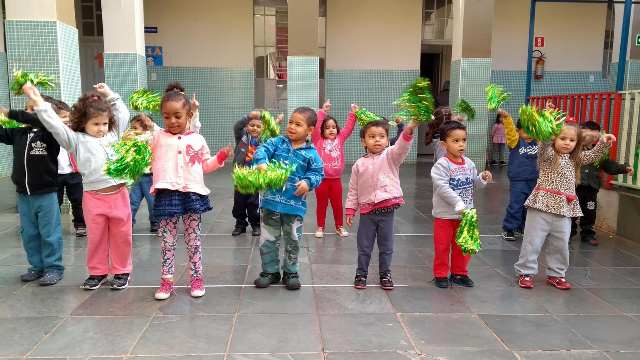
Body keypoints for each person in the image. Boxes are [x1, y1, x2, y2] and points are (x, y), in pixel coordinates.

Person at [26, 82, 133, 290]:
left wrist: (110, 94)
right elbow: (55, 126)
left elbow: (123, 114)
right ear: (83, 123)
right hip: (93, 197)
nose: (101, 128)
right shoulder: (75, 140)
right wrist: (39, 103)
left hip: (119, 195)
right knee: (96, 238)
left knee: (122, 237)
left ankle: (121, 271)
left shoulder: (113, 135)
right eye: (96, 124)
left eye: (104, 123)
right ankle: (97, 272)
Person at [515, 122, 615, 290]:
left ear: (577, 143)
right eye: (562, 138)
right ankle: (526, 272)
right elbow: (543, 145)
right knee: (533, 241)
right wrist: (547, 128)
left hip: (564, 208)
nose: (567, 143)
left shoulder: (575, 158)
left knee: (561, 244)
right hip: (541, 205)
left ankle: (556, 274)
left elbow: (591, 156)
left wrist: (603, 142)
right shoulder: (548, 155)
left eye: (572, 140)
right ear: (554, 139)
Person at [152, 90, 232, 300]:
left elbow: (205, 166)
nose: (172, 121)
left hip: (192, 194)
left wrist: (220, 157)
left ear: (189, 116)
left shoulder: (198, 139)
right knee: (166, 240)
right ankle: (166, 280)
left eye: (177, 116)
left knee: (193, 239)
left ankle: (197, 278)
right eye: (167, 116)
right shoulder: (158, 137)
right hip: (166, 193)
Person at [252, 107, 323, 290]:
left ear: (309, 130)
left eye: (298, 124)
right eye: (291, 122)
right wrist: (261, 163)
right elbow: (261, 150)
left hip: (294, 207)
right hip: (270, 203)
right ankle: (270, 272)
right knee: (268, 240)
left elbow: (317, 173)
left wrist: (308, 182)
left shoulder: (312, 153)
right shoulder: (277, 143)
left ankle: (291, 272)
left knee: (293, 240)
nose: (291, 126)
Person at [345, 118, 419, 290]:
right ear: (363, 141)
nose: (377, 140)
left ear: (387, 140)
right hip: (366, 213)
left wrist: (408, 130)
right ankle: (361, 273)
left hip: (387, 211)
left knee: (386, 246)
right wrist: (350, 209)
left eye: (381, 136)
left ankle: (385, 273)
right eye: (372, 136)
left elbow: (402, 146)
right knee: (364, 246)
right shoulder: (359, 164)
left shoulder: (391, 156)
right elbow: (353, 190)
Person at [0, 98, 64, 286]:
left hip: (46, 193)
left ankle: (54, 268)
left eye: (33, 110)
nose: (28, 113)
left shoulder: (51, 133)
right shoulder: (19, 133)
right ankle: (37, 266)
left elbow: (42, 120)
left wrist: (9, 112)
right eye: (27, 110)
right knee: (29, 233)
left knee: (49, 233)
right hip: (23, 195)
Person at [431, 121, 492, 289]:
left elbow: (475, 184)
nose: (461, 144)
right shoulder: (441, 165)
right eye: (455, 141)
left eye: (463, 140)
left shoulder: (469, 163)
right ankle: (441, 274)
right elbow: (442, 187)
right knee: (442, 246)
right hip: (444, 215)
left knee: (463, 246)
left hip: (466, 215)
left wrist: (482, 178)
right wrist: (458, 202)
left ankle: (459, 273)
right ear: (444, 144)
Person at [571, 121, 633, 246]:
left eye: (595, 137)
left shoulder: (599, 151)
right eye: (588, 136)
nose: (591, 139)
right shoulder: (573, 149)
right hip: (574, 186)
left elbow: (609, 165)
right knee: (571, 211)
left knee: (589, 210)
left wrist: (624, 168)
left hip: (591, 187)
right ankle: (567, 233)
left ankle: (587, 234)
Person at [312, 100, 356, 238]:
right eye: (327, 127)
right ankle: (320, 227)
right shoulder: (318, 139)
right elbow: (317, 124)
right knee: (321, 205)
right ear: (322, 131)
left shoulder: (340, 138)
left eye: (333, 127)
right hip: (321, 180)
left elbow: (348, 128)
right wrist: (323, 112)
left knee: (337, 205)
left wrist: (353, 114)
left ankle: (339, 227)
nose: (331, 129)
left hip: (335, 180)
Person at [501, 111, 538, 241]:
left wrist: (549, 113)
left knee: (529, 206)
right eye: (526, 131)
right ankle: (509, 228)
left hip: (534, 180)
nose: (530, 134)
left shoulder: (538, 142)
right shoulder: (515, 141)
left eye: (533, 130)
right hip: (518, 180)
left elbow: (549, 132)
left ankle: (522, 227)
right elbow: (510, 131)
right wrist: (507, 117)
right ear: (518, 130)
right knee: (516, 205)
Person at [232, 110, 263, 237]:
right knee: (239, 202)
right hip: (241, 176)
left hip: (255, 177)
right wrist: (248, 116)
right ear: (247, 126)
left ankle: (255, 224)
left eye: (258, 126)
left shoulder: (264, 141)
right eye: (252, 125)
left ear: (262, 129)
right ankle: (240, 224)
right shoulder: (242, 137)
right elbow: (237, 126)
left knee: (253, 203)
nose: (254, 128)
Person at [126, 114, 159, 234]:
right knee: (133, 201)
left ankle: (155, 221)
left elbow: (154, 133)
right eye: (131, 128)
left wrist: (150, 125)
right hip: (137, 176)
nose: (132, 131)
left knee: (152, 201)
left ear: (145, 129)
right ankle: (128, 222)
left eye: (135, 128)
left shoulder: (150, 137)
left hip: (150, 177)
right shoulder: (131, 140)